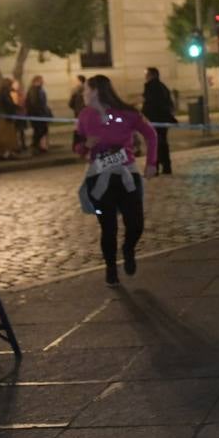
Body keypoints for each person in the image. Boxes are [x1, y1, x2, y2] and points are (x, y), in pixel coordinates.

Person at [74, 74, 158, 285]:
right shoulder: (84, 116)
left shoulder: (126, 113)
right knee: (108, 227)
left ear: (95, 91)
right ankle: (111, 268)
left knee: (136, 224)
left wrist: (151, 162)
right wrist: (86, 146)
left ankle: (128, 249)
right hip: (99, 179)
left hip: (126, 175)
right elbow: (76, 147)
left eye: (85, 89)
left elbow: (151, 134)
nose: (82, 93)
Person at [142, 67, 177, 175]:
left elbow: (149, 104)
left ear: (152, 75)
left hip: (154, 119)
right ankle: (166, 167)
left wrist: (143, 116)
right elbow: (169, 103)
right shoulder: (163, 87)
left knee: (154, 143)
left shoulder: (150, 87)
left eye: (147, 74)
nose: (145, 76)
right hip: (163, 119)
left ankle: (155, 167)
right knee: (162, 143)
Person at [24, 74, 52, 154]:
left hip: (41, 114)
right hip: (37, 115)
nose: (43, 82)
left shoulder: (39, 89)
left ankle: (38, 146)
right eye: (41, 80)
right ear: (37, 81)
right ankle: (35, 146)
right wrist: (39, 112)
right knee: (39, 131)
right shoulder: (34, 90)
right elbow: (34, 103)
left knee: (42, 131)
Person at [0, 77, 19, 160]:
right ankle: (5, 154)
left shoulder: (2, 93)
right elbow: (7, 105)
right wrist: (15, 107)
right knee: (6, 137)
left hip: (4, 117)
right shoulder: (4, 93)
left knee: (8, 136)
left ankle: (8, 153)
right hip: (4, 118)